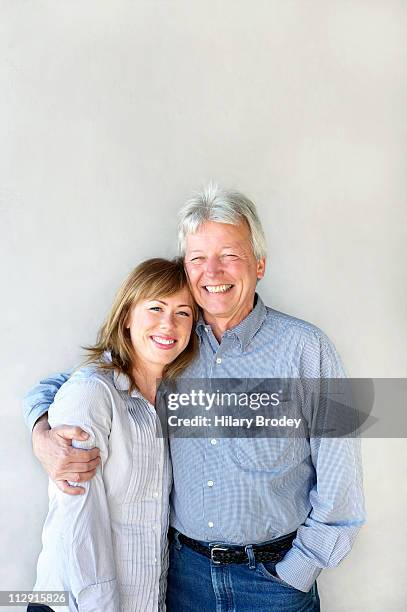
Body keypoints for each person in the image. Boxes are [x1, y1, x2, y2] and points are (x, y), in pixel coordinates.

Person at [24, 185, 365, 612]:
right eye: (198, 258)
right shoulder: (171, 343)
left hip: (273, 583)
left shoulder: (306, 350)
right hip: (182, 579)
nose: (213, 271)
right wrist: (41, 432)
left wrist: (296, 571)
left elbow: (341, 486)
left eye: (229, 255)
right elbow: (77, 382)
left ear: (259, 264)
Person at [26, 258, 198, 612]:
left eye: (183, 312)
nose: (169, 323)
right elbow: (78, 523)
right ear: (126, 318)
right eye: (156, 307)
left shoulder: (172, 399)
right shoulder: (94, 393)